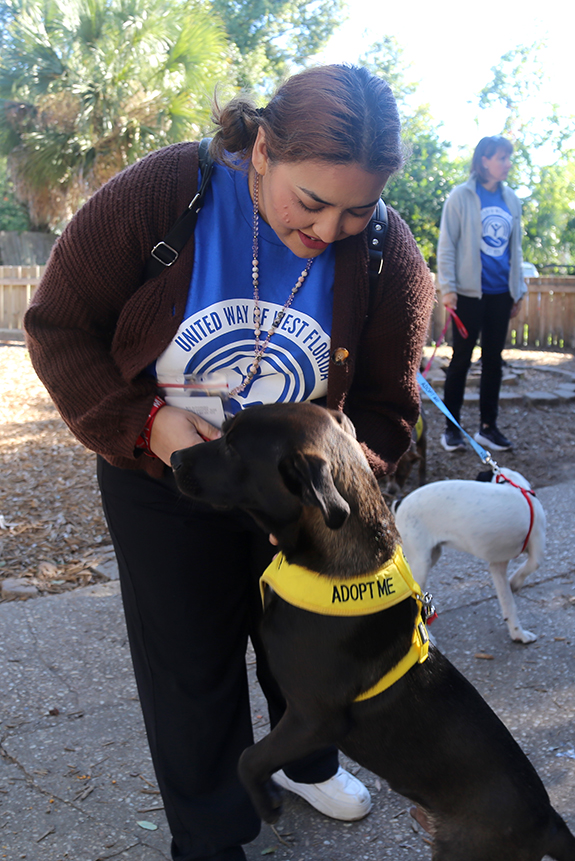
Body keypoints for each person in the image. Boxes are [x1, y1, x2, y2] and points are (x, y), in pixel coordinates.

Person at [24, 64, 434, 861]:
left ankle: (309, 759)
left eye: (356, 209)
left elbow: (391, 403)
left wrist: (348, 468)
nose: (328, 229)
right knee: (188, 659)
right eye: (310, 202)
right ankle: (211, 833)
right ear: (258, 151)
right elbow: (60, 326)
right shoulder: (164, 194)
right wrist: (146, 422)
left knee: (308, 639)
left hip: (294, 498)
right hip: (159, 470)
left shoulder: (386, 250)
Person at [437, 134, 526, 452]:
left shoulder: (511, 199)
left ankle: (488, 428)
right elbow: (446, 246)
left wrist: (519, 289)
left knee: (493, 361)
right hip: (468, 295)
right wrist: (448, 289)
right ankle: (452, 428)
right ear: (484, 160)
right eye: (501, 157)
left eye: (508, 157)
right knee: (460, 361)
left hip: (501, 294)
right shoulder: (461, 197)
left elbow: (515, 248)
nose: (507, 163)